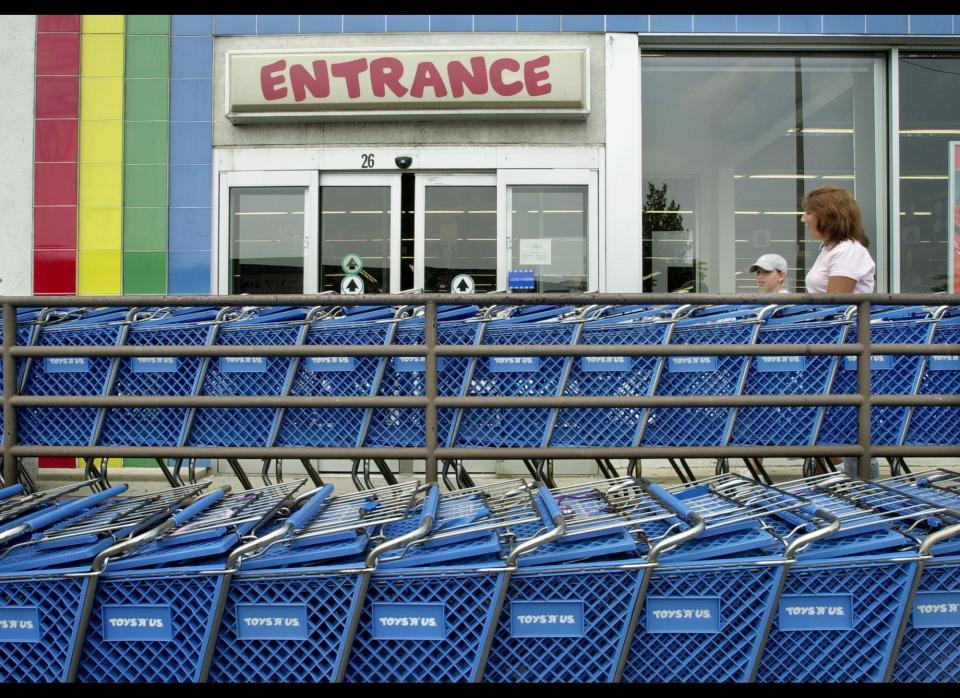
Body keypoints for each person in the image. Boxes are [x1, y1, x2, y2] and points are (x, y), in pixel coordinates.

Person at [801, 186, 879, 478]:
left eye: (809, 212)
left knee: (844, 416)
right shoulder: (829, 249)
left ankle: (859, 482)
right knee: (831, 416)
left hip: (846, 345)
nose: (804, 218)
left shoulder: (849, 251)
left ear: (827, 215)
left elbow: (837, 302)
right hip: (831, 345)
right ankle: (838, 479)